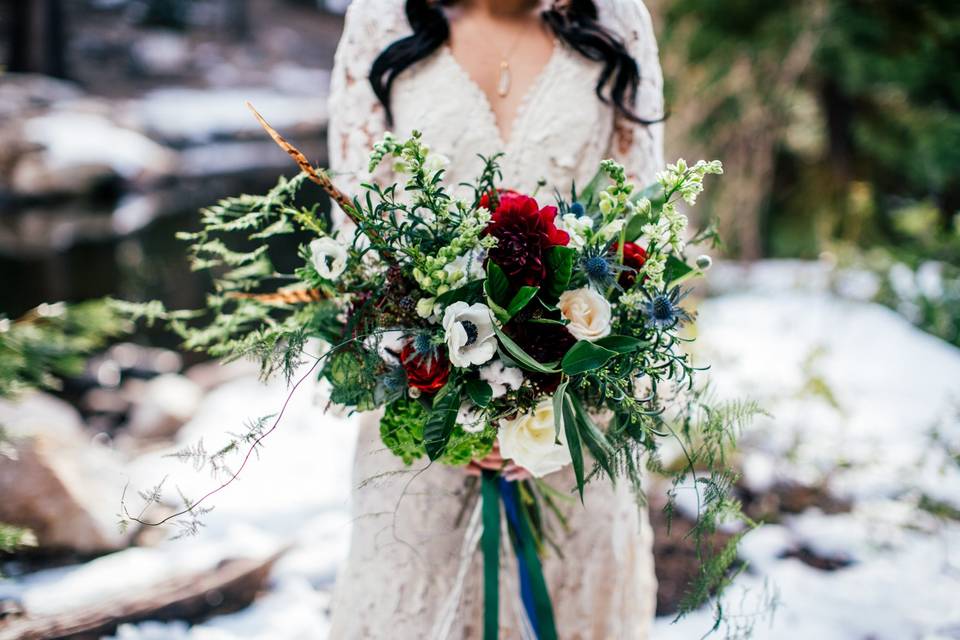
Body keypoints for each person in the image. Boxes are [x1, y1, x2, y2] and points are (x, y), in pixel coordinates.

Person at [326, 0, 663, 636]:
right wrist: (450, 405)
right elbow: (359, 235)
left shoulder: (618, 21)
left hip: (578, 418)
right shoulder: (383, 21)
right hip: (420, 407)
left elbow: (637, 231)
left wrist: (560, 404)